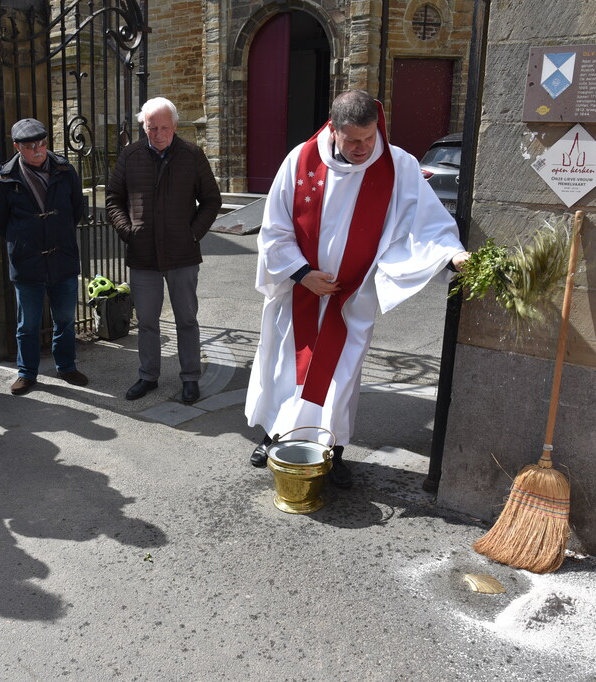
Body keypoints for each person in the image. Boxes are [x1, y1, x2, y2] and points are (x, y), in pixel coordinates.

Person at [244, 90, 469, 488]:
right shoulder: (300, 160)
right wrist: (301, 274)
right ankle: (274, 437)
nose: (364, 148)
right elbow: (274, 227)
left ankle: (334, 452)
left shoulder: (397, 165)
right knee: (286, 371)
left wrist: (452, 254)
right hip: (300, 292)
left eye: (369, 138)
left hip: (352, 298)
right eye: (353, 141)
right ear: (333, 130)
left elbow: (426, 222)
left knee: (339, 380)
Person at [105, 97, 221, 404]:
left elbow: (212, 200)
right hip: (143, 256)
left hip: (182, 255)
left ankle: (190, 378)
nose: (157, 134)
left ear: (175, 126)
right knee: (146, 321)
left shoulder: (192, 155)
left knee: (186, 319)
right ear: (143, 126)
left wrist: (193, 233)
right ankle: (148, 376)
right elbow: (113, 199)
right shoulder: (130, 156)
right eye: (150, 127)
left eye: (164, 128)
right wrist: (127, 232)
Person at [0, 118, 88, 396]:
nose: (38, 150)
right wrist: (25, 240)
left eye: (42, 144)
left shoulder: (64, 170)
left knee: (66, 318)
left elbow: (76, 210)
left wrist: (57, 234)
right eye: (31, 146)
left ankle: (66, 366)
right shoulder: (4, 178)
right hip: (27, 262)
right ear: (17, 147)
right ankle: (27, 373)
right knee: (28, 323)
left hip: (63, 258)